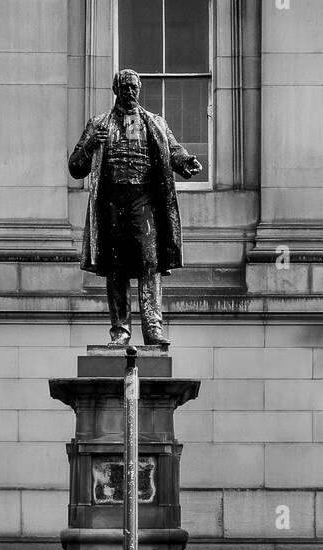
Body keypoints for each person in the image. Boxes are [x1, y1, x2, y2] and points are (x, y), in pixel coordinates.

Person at [69, 69, 203, 348]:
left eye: (134, 87)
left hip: (144, 202)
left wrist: (185, 162)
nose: (130, 92)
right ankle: (120, 330)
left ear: (139, 89)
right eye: (125, 87)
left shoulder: (154, 122)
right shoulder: (99, 124)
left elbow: (173, 150)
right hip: (113, 203)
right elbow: (75, 167)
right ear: (116, 89)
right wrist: (92, 144)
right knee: (115, 267)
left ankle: (153, 327)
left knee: (149, 263)